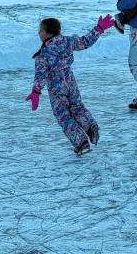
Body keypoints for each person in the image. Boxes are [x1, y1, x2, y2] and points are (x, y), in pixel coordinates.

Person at [26, 15, 114, 155]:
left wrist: (36, 92)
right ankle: (90, 125)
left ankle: (81, 142)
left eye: (41, 30)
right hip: (70, 82)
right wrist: (99, 28)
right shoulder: (68, 41)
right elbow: (85, 41)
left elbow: (40, 75)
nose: (39, 33)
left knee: (63, 116)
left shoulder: (43, 54)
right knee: (77, 107)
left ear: (49, 32)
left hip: (56, 87)